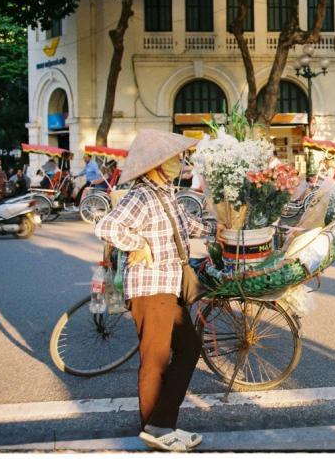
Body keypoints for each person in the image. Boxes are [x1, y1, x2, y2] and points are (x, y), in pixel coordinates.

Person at [95, 129, 219, 452]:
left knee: (189, 347)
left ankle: (159, 424)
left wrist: (222, 229)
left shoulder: (166, 193)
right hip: (151, 288)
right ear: (156, 164)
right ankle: (157, 428)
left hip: (168, 286)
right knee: (156, 360)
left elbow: (187, 227)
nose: (180, 162)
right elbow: (106, 226)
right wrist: (141, 243)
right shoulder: (142, 196)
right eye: (173, 158)